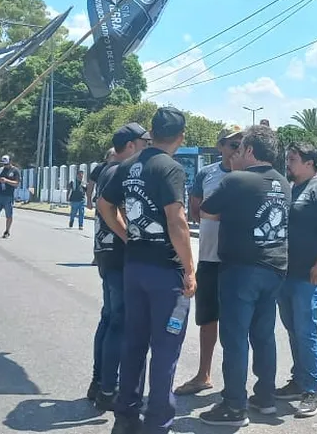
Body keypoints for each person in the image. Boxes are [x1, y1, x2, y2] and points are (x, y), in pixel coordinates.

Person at [100, 107, 196, 434]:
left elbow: (103, 205)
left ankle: (125, 416)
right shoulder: (170, 168)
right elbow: (176, 220)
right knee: (165, 350)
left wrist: (126, 233)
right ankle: (158, 424)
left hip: (134, 267)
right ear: (180, 137)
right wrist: (190, 268)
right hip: (164, 272)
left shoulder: (128, 166)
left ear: (152, 133)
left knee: (134, 343)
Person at [198, 125, 290, 427]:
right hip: (275, 267)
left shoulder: (236, 179)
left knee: (235, 338)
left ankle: (234, 405)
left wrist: (233, 178)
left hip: (241, 269)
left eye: (241, 149)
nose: (236, 154)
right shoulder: (282, 182)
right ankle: (264, 398)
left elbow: (207, 211)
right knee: (263, 336)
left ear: (250, 151)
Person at [174, 125, 243, 398]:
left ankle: (234, 384)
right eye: (231, 144)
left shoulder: (249, 174)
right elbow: (196, 210)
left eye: (240, 143)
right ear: (220, 147)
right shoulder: (207, 174)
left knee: (237, 322)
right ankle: (204, 374)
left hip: (238, 260)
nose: (236, 149)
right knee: (208, 319)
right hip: (210, 257)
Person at [274, 141, 317, 418]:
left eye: (292, 159)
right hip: (287, 273)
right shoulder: (293, 188)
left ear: (309, 163)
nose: (288, 163)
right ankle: (298, 380)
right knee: (292, 329)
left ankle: (313, 390)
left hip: (309, 274)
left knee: (305, 330)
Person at [86, 124, 149, 412]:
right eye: (144, 141)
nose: (147, 145)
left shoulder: (106, 169)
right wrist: (129, 238)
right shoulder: (122, 171)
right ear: (132, 145)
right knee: (119, 321)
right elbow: (115, 209)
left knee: (109, 318)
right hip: (117, 253)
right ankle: (109, 389)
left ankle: (99, 382)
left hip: (105, 251)